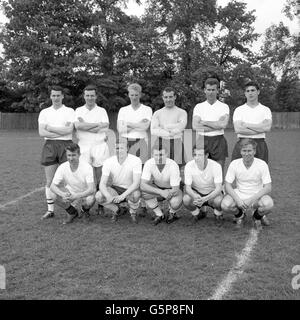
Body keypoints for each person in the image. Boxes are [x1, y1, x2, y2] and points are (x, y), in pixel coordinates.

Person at [38, 85, 75, 220]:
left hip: (66, 145)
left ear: (62, 96)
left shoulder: (70, 111)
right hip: (50, 146)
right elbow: (42, 132)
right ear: (50, 96)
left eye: (58, 95)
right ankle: (50, 210)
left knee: (67, 179)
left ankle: (71, 207)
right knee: (50, 180)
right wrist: (60, 131)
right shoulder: (44, 112)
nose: (55, 98)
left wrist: (51, 128)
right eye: (53, 95)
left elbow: (68, 131)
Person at [221, 138, 274, 230]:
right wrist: (238, 200)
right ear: (240, 151)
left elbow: (268, 187)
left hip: (256, 195)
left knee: (268, 204)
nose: (246, 153)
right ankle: (240, 215)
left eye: (249, 151)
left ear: (254, 151)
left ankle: (257, 217)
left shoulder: (262, 164)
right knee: (225, 205)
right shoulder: (234, 163)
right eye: (244, 151)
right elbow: (227, 185)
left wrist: (250, 200)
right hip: (240, 193)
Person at [74, 84, 110, 215]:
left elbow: (105, 127)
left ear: (96, 96)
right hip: (83, 145)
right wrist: (96, 125)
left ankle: (101, 204)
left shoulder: (102, 111)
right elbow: (78, 126)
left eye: (92, 95)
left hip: (100, 144)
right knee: (86, 176)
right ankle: (86, 206)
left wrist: (86, 125)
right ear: (84, 96)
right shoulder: (78, 110)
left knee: (100, 177)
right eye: (87, 95)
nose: (90, 98)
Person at [95, 138, 142, 223]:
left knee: (136, 195)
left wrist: (123, 196)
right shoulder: (108, 161)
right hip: (115, 188)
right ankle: (117, 210)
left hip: (130, 189)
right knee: (99, 196)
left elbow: (136, 183)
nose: (119, 150)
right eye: (117, 148)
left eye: (122, 148)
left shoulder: (136, 160)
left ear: (127, 148)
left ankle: (133, 213)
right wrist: (108, 196)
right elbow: (102, 184)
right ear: (114, 149)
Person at [50, 143, 96, 224]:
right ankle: (72, 212)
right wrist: (62, 194)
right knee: (52, 194)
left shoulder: (87, 167)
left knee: (90, 200)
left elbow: (91, 189)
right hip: (70, 192)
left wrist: (77, 195)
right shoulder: (62, 167)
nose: (71, 158)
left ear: (79, 155)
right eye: (69, 155)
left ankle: (84, 211)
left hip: (84, 193)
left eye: (73, 155)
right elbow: (52, 186)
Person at [140, 139, 183, 225]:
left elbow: (175, 188)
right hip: (158, 188)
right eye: (156, 155)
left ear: (166, 154)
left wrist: (166, 193)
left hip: (171, 189)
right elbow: (142, 185)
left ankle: (172, 212)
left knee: (175, 203)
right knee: (143, 192)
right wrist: (160, 192)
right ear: (152, 155)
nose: (159, 157)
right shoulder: (149, 163)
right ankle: (159, 214)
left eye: (161, 155)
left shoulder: (173, 165)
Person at [192, 78, 230, 172]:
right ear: (205, 90)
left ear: (217, 90)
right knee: (201, 170)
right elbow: (195, 126)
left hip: (218, 140)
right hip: (202, 139)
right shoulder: (199, 107)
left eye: (213, 90)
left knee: (218, 171)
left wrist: (204, 122)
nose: (211, 92)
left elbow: (223, 125)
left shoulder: (224, 107)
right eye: (208, 90)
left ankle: (219, 187)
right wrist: (216, 125)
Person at [231, 81, 272, 163]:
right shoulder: (239, 110)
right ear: (245, 93)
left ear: (258, 92)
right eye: (248, 91)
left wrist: (246, 125)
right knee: (240, 172)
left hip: (260, 144)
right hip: (243, 143)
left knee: (260, 172)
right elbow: (238, 129)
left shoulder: (265, 110)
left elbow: (267, 128)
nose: (250, 93)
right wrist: (260, 127)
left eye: (253, 90)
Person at [183, 144, 224, 225]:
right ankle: (197, 214)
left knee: (219, 201)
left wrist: (205, 199)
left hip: (212, 193)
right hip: (197, 193)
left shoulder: (216, 166)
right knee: (186, 200)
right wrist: (194, 196)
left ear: (206, 155)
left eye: (200, 155)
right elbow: (187, 188)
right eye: (195, 155)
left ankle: (218, 214)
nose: (197, 158)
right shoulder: (189, 165)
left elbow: (218, 188)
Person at [151, 87, 187, 166]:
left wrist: (164, 127)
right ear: (163, 98)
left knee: (177, 168)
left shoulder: (182, 112)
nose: (168, 100)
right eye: (166, 97)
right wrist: (170, 132)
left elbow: (180, 128)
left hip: (176, 142)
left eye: (170, 97)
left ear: (175, 97)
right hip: (161, 142)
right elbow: (153, 131)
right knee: (160, 167)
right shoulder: (157, 113)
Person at [117, 83, 152, 163]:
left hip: (141, 140)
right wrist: (139, 124)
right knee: (126, 168)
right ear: (128, 95)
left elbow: (145, 127)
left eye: (136, 95)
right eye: (132, 95)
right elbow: (121, 130)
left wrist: (128, 123)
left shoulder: (147, 109)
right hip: (125, 141)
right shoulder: (123, 110)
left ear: (140, 95)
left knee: (140, 167)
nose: (134, 97)